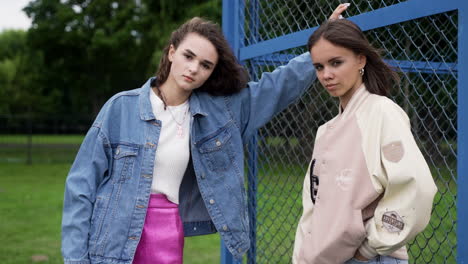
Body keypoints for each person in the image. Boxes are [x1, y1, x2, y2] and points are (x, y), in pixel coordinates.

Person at [61, 5, 349, 264]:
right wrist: (75, 258)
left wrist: (321, 42)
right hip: (112, 233)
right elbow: (81, 186)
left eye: (205, 65)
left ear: (211, 72)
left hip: (166, 232)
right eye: (188, 56)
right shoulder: (120, 108)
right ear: (172, 52)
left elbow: (276, 86)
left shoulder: (220, 114)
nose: (193, 68)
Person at [292, 19, 438, 264]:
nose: (326, 75)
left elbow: (415, 189)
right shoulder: (325, 131)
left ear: (361, 60)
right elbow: (315, 204)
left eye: (336, 63)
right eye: (318, 67)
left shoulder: (382, 112)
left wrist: (369, 250)